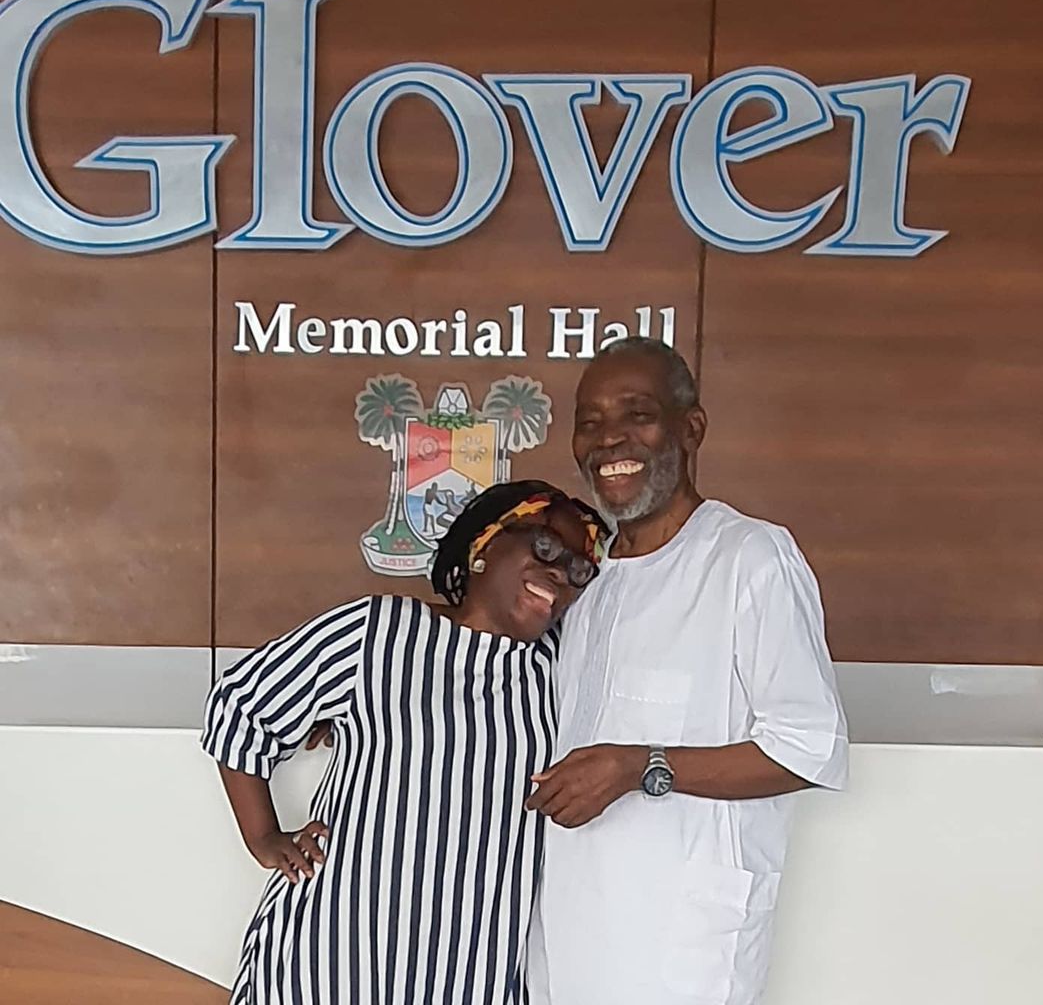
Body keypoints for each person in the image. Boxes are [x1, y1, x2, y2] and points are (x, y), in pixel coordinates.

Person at [525, 338, 849, 1005]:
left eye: (638, 414)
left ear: (691, 428)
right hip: (567, 935)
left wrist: (638, 766)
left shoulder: (749, 558)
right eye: (590, 422)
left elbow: (809, 748)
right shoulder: (589, 582)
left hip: (682, 951)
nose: (609, 439)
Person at [202, 480, 609, 1005]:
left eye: (578, 569)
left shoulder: (560, 669)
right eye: (545, 545)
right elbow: (242, 706)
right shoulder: (377, 634)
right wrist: (263, 837)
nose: (560, 573)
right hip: (331, 961)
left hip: (470, 972)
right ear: (483, 544)